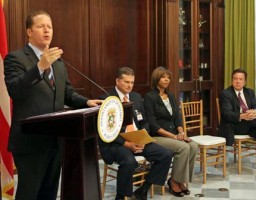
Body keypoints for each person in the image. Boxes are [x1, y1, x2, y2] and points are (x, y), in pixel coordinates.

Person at [4, 10, 102, 200]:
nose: (47, 30)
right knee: (29, 194)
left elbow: (67, 94)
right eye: (41, 26)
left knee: (49, 194)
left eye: (49, 27)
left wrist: (87, 102)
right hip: (30, 142)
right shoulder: (16, 58)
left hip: (56, 140)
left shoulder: (57, 62)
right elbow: (15, 90)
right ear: (29, 31)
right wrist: (40, 67)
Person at [98, 67, 173, 200]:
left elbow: (144, 121)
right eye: (126, 82)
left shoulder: (136, 97)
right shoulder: (106, 99)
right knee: (129, 161)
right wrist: (126, 143)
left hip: (138, 140)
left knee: (166, 154)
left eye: (132, 82)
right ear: (117, 81)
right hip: (116, 143)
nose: (130, 85)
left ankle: (143, 189)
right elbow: (105, 131)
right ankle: (120, 197)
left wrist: (142, 138)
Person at [143, 66, 198, 197]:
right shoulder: (149, 97)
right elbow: (153, 124)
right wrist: (174, 137)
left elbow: (177, 117)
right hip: (157, 136)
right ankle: (173, 181)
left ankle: (180, 180)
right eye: (163, 77)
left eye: (168, 77)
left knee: (194, 146)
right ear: (156, 78)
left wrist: (181, 132)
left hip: (173, 134)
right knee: (184, 147)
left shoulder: (171, 96)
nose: (167, 79)